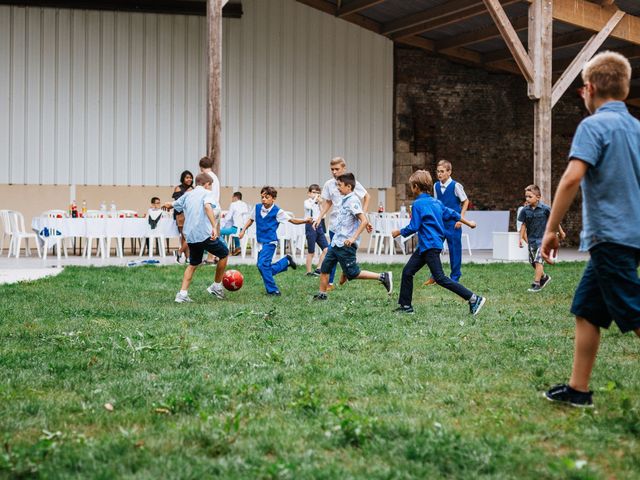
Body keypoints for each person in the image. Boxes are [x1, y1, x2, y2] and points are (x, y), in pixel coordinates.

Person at [540, 51, 640, 408]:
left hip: (610, 237)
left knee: (634, 311)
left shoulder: (593, 126)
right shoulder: (636, 128)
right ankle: (578, 391)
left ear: (588, 88)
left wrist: (551, 230)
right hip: (628, 237)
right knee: (587, 308)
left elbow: (571, 178)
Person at [391, 170, 486, 315]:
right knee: (408, 271)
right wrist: (469, 223)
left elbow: (414, 226)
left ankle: (474, 298)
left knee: (440, 278)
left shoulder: (418, 204)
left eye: (411, 186)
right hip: (426, 245)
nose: (411, 188)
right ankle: (405, 306)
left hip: (429, 246)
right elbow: (453, 214)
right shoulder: (436, 202)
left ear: (416, 186)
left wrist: (398, 232)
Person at [313, 173, 392, 300]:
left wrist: (353, 238)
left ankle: (383, 276)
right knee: (325, 268)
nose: (338, 188)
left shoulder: (353, 200)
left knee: (353, 273)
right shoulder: (344, 200)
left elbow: (363, 220)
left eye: (340, 185)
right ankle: (322, 294)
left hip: (346, 244)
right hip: (335, 242)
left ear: (348, 186)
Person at [163, 173, 229, 303]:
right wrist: (214, 226)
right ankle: (216, 286)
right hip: (204, 233)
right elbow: (207, 206)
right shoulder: (207, 193)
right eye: (210, 186)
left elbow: (174, 204)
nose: (210, 188)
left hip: (190, 235)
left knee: (193, 264)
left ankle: (182, 294)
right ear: (206, 184)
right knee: (224, 254)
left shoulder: (188, 194)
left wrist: (167, 204)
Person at [238, 186, 311, 296]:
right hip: (260, 242)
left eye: (267, 197)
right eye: (262, 197)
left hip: (270, 242)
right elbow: (251, 219)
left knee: (263, 266)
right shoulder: (257, 207)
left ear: (273, 198)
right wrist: (243, 230)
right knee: (263, 267)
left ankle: (273, 291)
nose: (264, 199)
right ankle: (286, 261)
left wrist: (305, 220)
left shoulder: (278, 211)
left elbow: (292, 220)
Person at [314, 157, 371, 291]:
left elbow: (367, 196)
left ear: (343, 168)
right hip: (335, 224)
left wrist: (364, 215)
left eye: (337, 169)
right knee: (332, 254)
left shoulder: (351, 183)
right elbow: (328, 202)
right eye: (332, 169)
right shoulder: (329, 184)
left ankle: (347, 271)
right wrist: (319, 217)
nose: (334, 172)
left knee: (346, 251)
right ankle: (330, 283)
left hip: (350, 226)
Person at [425, 159, 469, 285]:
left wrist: (461, 219)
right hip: (440, 223)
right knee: (434, 248)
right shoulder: (436, 186)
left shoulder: (456, 186)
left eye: (442, 171)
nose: (439, 174)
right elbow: (436, 203)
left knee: (454, 250)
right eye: (438, 171)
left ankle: (455, 277)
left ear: (449, 172)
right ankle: (435, 275)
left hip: (454, 223)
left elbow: (465, 201)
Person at [518, 185, 566, 292]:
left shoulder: (546, 209)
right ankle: (544, 277)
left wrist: (561, 232)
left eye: (530, 197)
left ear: (538, 197)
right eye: (526, 197)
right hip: (532, 241)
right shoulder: (525, 211)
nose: (527, 199)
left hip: (543, 240)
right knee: (533, 262)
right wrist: (520, 238)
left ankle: (537, 284)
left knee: (538, 261)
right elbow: (523, 225)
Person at [199, 156, 221, 264]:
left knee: (209, 233)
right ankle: (217, 255)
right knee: (215, 232)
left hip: (210, 207)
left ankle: (210, 258)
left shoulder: (206, 177)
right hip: (217, 206)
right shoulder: (215, 177)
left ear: (201, 167)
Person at [304, 184, 328, 276]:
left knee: (326, 249)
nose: (316, 195)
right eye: (314, 192)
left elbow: (324, 215)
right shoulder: (307, 201)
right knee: (311, 251)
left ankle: (319, 268)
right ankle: (308, 272)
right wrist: (315, 200)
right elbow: (309, 207)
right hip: (310, 225)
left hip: (319, 225)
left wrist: (320, 204)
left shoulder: (318, 203)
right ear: (309, 193)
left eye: (318, 193)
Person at [172, 170, 194, 263]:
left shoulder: (193, 188)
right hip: (180, 215)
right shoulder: (178, 188)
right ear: (183, 179)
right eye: (187, 177)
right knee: (185, 237)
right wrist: (187, 193)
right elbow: (178, 202)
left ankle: (181, 253)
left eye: (190, 177)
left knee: (190, 235)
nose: (189, 179)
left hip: (190, 214)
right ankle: (187, 258)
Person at [220, 191, 249, 256]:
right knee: (236, 231)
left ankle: (225, 249)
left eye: (232, 197)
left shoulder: (233, 204)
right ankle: (237, 247)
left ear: (235, 197)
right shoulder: (244, 204)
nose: (232, 199)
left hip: (235, 229)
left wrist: (222, 220)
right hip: (243, 229)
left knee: (218, 232)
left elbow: (228, 218)